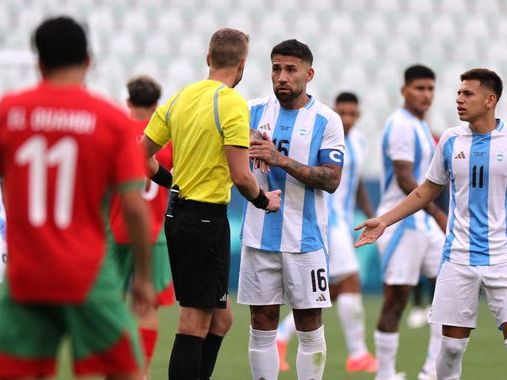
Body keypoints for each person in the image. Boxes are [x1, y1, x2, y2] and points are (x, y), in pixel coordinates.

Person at [0, 16, 154, 379]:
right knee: (128, 371)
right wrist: (143, 277)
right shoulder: (110, 120)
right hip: (86, 271)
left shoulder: (8, 112)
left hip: (25, 273)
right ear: (88, 60)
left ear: (38, 62)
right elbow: (134, 207)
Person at [141, 28, 281, 380]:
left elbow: (140, 154)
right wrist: (266, 201)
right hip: (204, 219)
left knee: (221, 319)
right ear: (243, 65)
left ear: (208, 58)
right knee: (193, 321)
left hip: (180, 214)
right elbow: (241, 176)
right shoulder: (231, 102)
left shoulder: (179, 98)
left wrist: (170, 181)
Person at [355, 68, 507, 380]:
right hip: (458, 257)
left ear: (490, 100)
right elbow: (425, 190)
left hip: (502, 258)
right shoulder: (450, 140)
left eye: (468, 94)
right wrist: (384, 220)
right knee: (450, 347)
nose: (458, 99)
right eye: (459, 93)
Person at [238, 39, 345, 380]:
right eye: (276, 68)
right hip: (258, 236)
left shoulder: (327, 120)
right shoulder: (250, 112)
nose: (281, 76)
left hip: (306, 241)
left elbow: (331, 179)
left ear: (309, 74)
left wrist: (278, 158)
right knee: (262, 322)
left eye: (290, 69)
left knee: (309, 324)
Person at [275, 92, 378, 374]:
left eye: (352, 113)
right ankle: (357, 353)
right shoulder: (323, 137)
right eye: (342, 112)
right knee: (349, 282)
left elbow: (353, 182)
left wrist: (371, 214)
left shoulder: (357, 142)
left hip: (343, 224)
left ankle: (280, 338)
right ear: (335, 111)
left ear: (358, 115)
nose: (347, 118)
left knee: (324, 291)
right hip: (325, 222)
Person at [373, 65, 447, 380]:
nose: (426, 95)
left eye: (430, 89)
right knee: (396, 300)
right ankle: (386, 373)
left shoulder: (419, 125)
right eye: (419, 88)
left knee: (449, 294)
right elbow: (406, 180)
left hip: (423, 225)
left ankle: (431, 371)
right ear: (404, 90)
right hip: (401, 224)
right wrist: (439, 215)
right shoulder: (401, 125)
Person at [108, 75, 175, 375]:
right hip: (153, 234)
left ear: (127, 102)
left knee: (110, 305)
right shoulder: (167, 141)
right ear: (156, 105)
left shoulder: (115, 133)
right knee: (146, 308)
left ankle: (115, 370)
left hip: (116, 230)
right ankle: (141, 372)